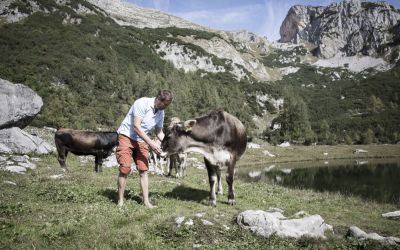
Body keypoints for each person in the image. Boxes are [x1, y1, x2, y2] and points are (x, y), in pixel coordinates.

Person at [116, 90, 173, 208]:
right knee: (125, 169)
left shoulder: (161, 113)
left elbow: (159, 132)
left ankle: (146, 202)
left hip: (142, 140)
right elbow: (136, 126)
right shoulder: (142, 103)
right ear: (158, 99)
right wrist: (152, 144)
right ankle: (120, 201)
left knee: (144, 170)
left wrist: (169, 145)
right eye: (165, 105)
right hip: (127, 136)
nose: (166, 108)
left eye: (168, 106)